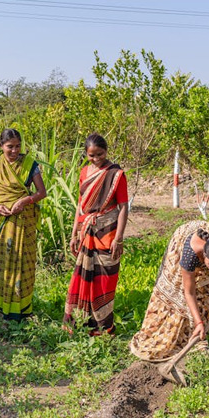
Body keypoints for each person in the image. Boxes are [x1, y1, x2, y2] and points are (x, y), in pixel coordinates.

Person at [130, 220, 209, 362]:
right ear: (204, 255)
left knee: (206, 292)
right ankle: (191, 330)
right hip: (183, 242)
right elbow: (190, 292)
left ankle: (198, 338)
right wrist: (198, 322)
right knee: (179, 290)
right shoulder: (189, 255)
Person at [64, 134, 129, 336]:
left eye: (100, 154)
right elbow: (80, 205)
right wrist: (74, 233)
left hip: (107, 232)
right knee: (83, 277)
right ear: (86, 154)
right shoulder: (84, 172)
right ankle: (80, 323)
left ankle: (103, 326)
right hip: (86, 231)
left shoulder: (116, 174)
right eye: (91, 155)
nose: (96, 159)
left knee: (104, 279)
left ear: (106, 151)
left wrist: (119, 238)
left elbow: (123, 207)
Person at [0, 128, 47, 320]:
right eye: (10, 147)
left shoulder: (29, 164)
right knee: (4, 262)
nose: (15, 151)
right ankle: (2, 305)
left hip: (24, 221)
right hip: (4, 222)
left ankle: (22, 309)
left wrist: (24, 201)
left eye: (18, 146)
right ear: (1, 146)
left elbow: (42, 192)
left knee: (24, 263)